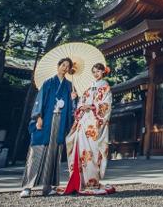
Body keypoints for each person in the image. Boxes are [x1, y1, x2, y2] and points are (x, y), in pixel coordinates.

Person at [20, 57, 77, 197]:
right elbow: (39, 101)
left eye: (67, 66)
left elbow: (73, 109)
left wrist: (74, 98)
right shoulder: (48, 83)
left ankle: (47, 187)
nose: (65, 67)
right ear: (58, 66)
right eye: (63, 65)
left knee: (54, 152)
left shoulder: (69, 85)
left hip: (60, 121)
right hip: (46, 120)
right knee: (36, 152)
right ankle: (28, 187)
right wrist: (38, 117)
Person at [62, 62, 115, 195]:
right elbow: (81, 101)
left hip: (94, 123)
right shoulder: (89, 87)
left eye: (98, 71)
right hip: (84, 121)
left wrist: (92, 107)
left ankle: (91, 180)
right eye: (94, 71)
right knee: (80, 150)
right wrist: (80, 104)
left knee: (92, 151)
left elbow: (105, 106)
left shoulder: (105, 87)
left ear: (103, 72)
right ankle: (79, 180)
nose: (96, 74)